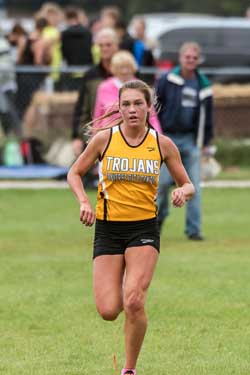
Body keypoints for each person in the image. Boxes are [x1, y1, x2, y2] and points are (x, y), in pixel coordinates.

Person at [67, 79, 195, 375]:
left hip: (144, 230)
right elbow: (75, 173)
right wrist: (84, 203)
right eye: (126, 104)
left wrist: (181, 192)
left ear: (149, 108)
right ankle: (125, 287)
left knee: (134, 300)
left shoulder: (162, 144)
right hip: (109, 229)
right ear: (119, 107)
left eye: (138, 103)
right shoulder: (104, 139)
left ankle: (129, 369)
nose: (132, 109)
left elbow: (188, 184)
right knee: (109, 310)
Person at [155, 41, 213, 240]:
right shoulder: (167, 79)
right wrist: (156, 134)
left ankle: (194, 230)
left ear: (198, 60)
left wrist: (205, 142)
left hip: (190, 140)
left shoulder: (203, 84)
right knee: (161, 184)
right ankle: (158, 218)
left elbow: (208, 116)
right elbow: (154, 108)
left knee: (193, 186)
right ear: (180, 58)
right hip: (167, 138)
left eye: (194, 57)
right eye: (187, 57)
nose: (190, 60)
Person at [71, 27, 119, 157]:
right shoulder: (90, 75)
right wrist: (76, 137)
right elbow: (81, 108)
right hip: (96, 130)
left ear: (116, 46)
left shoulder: (126, 72)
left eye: (108, 45)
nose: (104, 48)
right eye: (101, 45)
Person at [93, 50, 161, 132]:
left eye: (127, 67)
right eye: (120, 67)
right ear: (113, 69)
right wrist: (95, 136)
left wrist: (157, 135)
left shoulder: (142, 87)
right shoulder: (104, 87)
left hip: (137, 134)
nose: (124, 71)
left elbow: (152, 116)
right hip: (109, 135)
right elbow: (98, 115)